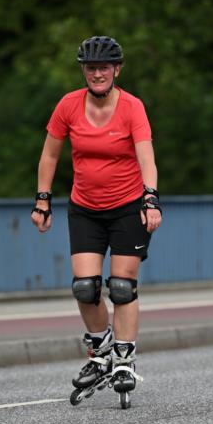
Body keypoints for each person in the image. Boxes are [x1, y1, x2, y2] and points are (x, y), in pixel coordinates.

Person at [31, 35, 162, 405]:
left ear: (116, 70)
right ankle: (100, 350)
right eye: (91, 68)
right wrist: (43, 200)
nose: (97, 73)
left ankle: (123, 358)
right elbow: (50, 156)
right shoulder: (69, 106)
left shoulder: (133, 107)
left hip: (127, 207)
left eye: (104, 67)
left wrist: (150, 198)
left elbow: (146, 157)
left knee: (121, 287)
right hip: (85, 207)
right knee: (85, 287)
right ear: (84, 71)